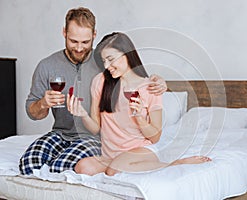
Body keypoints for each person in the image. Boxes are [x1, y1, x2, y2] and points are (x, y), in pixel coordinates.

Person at [19, 7, 167, 175]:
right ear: (64, 33)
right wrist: (43, 103)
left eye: (85, 42)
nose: (80, 48)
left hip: (92, 138)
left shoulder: (103, 62)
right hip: (60, 133)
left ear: (94, 35)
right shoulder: (47, 66)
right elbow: (33, 113)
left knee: (60, 169)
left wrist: (158, 80)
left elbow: (133, 75)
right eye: (73, 41)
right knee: (28, 166)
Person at [68, 32, 211, 176]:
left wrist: (140, 118)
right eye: (104, 61)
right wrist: (83, 115)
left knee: (113, 170)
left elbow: (155, 137)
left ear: (127, 54)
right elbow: (95, 128)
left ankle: (174, 164)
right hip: (111, 155)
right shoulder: (100, 82)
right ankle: (127, 166)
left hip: (141, 152)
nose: (107, 66)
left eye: (110, 59)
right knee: (83, 167)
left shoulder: (150, 87)